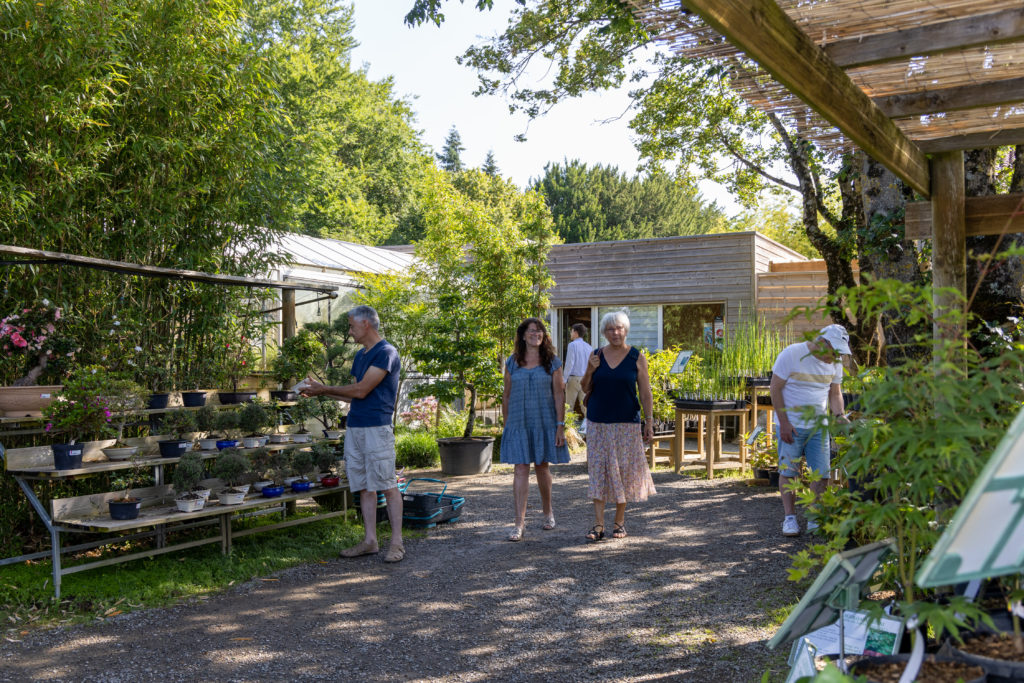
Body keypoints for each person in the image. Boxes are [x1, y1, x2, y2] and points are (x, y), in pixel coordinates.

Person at [300, 305, 405, 562]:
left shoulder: (386, 353)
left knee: (387, 485)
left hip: (376, 429)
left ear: (366, 324)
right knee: (363, 486)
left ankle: (397, 543)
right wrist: (319, 390)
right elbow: (353, 392)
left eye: (351, 326)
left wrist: (323, 389)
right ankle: (370, 541)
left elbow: (361, 391)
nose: (350, 331)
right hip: (356, 427)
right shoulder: (361, 355)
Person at [579, 310, 656, 542]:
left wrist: (649, 422)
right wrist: (591, 369)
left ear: (626, 330)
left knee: (623, 472)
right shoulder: (595, 355)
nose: (615, 332)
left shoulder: (636, 357)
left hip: (626, 423)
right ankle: (598, 524)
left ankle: (619, 523)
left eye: (619, 328)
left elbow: (645, 392)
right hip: (598, 422)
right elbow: (584, 387)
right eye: (611, 329)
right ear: (604, 332)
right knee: (599, 472)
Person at [769, 323, 851, 537]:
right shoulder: (793, 354)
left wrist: (839, 415)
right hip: (792, 425)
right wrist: (784, 422)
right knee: (789, 472)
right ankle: (790, 518)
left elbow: (835, 393)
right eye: (835, 351)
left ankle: (815, 518)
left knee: (822, 474)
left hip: (819, 428)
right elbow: (775, 388)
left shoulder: (835, 362)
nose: (836, 357)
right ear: (823, 343)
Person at [501, 317, 571, 541]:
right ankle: (518, 524)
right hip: (519, 423)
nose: (536, 334)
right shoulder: (512, 362)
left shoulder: (553, 362)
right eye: (531, 331)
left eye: (539, 331)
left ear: (544, 336)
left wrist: (560, 426)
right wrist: (507, 424)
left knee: (542, 467)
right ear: (523, 335)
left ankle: (548, 512)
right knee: (520, 469)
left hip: (544, 421)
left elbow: (559, 394)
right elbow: (507, 394)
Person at [562, 323, 593, 426]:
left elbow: (569, 363)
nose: (570, 333)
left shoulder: (572, 345)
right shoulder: (589, 347)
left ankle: (569, 433)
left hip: (573, 379)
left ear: (575, 332)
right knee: (586, 407)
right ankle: (591, 430)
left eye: (571, 331)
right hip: (585, 380)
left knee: (568, 407)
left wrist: (564, 380)